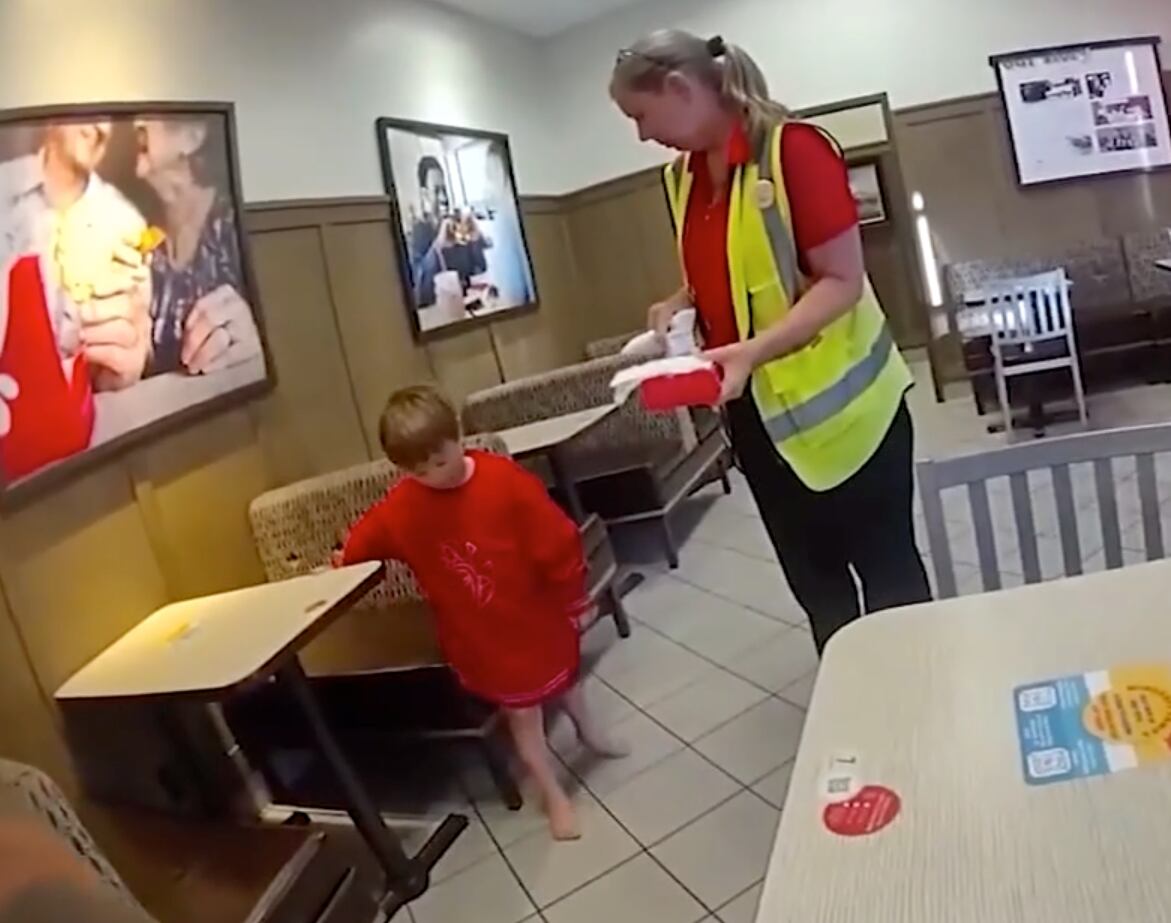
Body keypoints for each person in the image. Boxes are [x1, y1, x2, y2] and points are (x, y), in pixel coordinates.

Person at [611, 30, 931, 653]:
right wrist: (678, 301)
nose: (642, 135)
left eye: (641, 116)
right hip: (758, 421)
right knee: (817, 587)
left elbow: (841, 281)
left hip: (851, 415)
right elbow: (732, 267)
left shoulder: (794, 152)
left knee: (887, 575)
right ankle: (855, 704)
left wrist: (752, 351)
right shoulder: (680, 180)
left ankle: (919, 698)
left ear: (681, 89)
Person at [336, 385, 626, 840]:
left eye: (441, 459)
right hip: (483, 637)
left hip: (538, 615)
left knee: (567, 678)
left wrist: (575, 596)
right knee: (523, 715)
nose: (434, 474)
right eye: (419, 469)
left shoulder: (504, 481)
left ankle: (589, 732)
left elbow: (558, 540)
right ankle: (552, 793)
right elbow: (367, 537)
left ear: (458, 437)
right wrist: (341, 563)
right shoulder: (404, 506)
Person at [133, 116, 261, 377]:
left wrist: (254, 346)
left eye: (152, 112)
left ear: (193, 137)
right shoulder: (136, 238)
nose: (137, 120)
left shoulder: (236, 228)